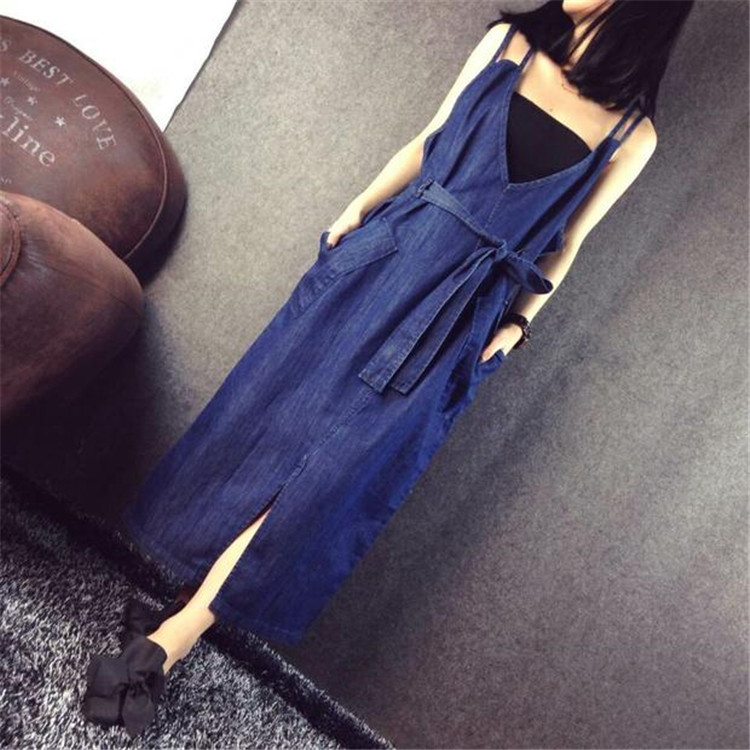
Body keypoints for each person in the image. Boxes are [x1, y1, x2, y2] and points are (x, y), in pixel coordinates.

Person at [82, 0, 694, 738]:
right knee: (271, 426)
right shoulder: (508, 44)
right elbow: (428, 142)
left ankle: (169, 639)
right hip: (386, 260)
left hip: (461, 316)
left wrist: (517, 327)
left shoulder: (633, 135)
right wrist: (357, 209)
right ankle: (171, 630)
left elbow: (569, 243)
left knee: (330, 485)